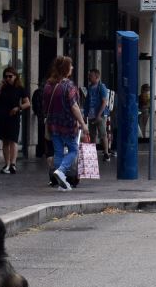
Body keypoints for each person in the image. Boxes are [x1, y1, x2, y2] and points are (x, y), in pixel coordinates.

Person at [43, 56, 89, 190]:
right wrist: (82, 123)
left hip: (53, 124)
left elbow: (44, 106)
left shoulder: (48, 85)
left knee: (58, 152)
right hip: (67, 125)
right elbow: (74, 106)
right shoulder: (69, 86)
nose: (72, 68)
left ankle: (60, 180)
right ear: (65, 69)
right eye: (70, 66)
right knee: (73, 150)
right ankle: (61, 171)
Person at [0, 67, 29, 174]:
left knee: (13, 140)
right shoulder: (3, 88)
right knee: (5, 141)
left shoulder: (20, 88)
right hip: (2, 116)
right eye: (6, 76)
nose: (8, 78)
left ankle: (13, 164)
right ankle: (6, 164)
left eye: (10, 76)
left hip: (13, 116)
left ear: (15, 76)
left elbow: (27, 103)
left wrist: (18, 108)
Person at [84, 69, 112, 162]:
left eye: (91, 76)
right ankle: (93, 153)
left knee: (103, 134)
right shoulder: (90, 87)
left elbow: (104, 102)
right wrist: (85, 114)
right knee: (92, 135)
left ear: (97, 77)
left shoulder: (101, 87)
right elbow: (87, 102)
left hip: (100, 115)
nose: (89, 77)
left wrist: (99, 115)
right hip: (91, 114)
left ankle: (106, 153)